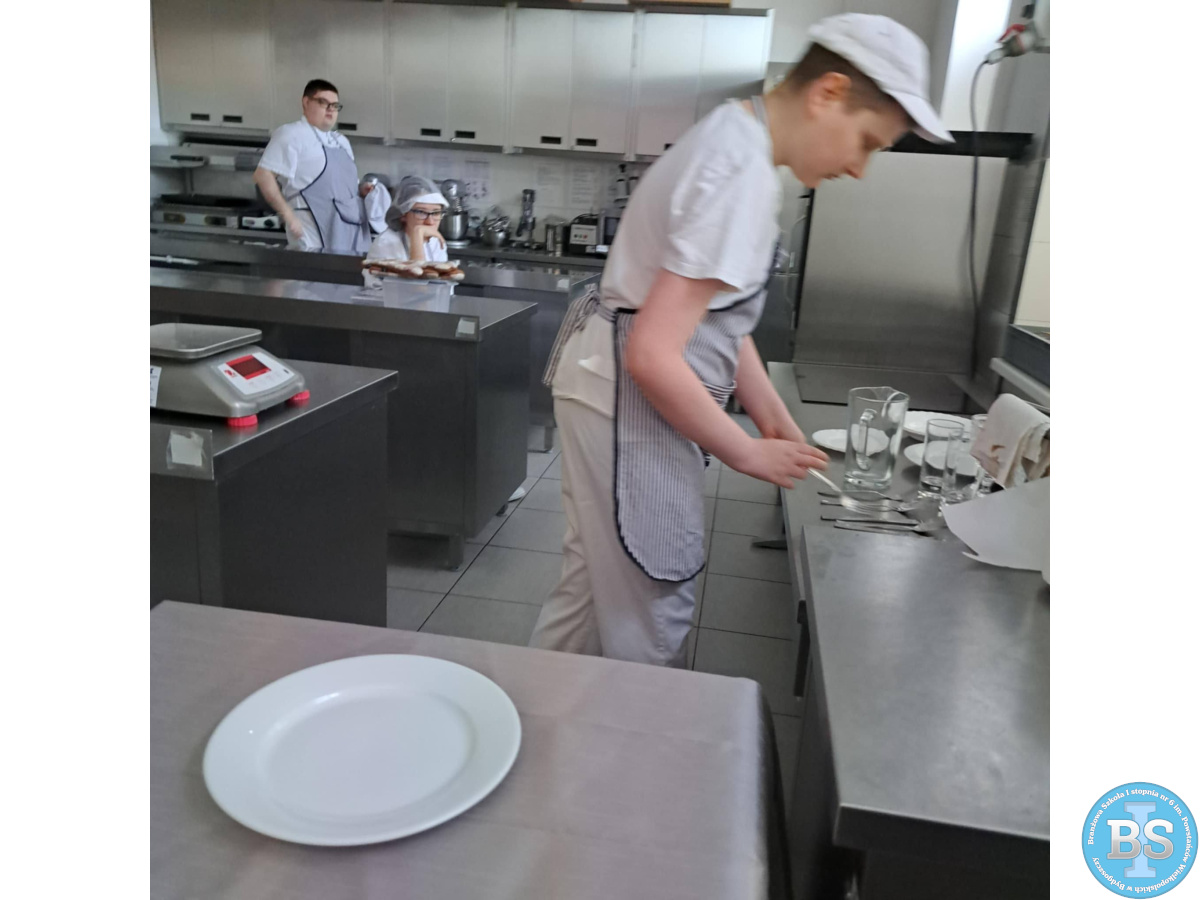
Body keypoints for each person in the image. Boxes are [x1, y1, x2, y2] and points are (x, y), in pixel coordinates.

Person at [530, 13, 953, 668]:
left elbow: (715, 316)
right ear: (828, 93)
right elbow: (653, 353)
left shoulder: (737, 138)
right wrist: (744, 451)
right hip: (626, 405)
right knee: (650, 607)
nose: (860, 168)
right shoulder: (741, 175)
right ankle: (630, 730)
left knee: (590, 597)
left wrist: (772, 415)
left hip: (607, 391)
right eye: (867, 142)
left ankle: (539, 717)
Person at [253, 79, 382, 254]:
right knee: (316, 270)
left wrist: (361, 190)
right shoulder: (291, 134)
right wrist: (287, 214)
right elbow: (263, 175)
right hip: (311, 226)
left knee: (349, 271)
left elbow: (343, 189)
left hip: (349, 229)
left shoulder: (341, 142)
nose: (330, 109)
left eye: (335, 105)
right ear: (306, 102)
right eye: (323, 102)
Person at [365, 176, 449, 263]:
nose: (430, 222)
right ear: (403, 214)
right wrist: (417, 235)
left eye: (436, 213)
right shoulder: (385, 243)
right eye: (421, 212)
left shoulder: (435, 242)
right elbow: (418, 271)